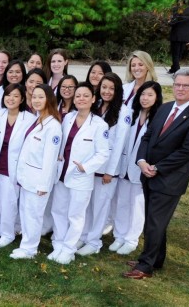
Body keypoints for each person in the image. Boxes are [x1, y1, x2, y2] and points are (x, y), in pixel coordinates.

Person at [125, 69, 189, 279]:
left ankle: (145, 266)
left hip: (169, 180)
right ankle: (156, 258)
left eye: (185, 85)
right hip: (148, 172)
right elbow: (148, 136)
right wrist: (142, 161)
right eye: (177, 84)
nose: (180, 89)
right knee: (154, 220)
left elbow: (187, 152)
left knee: (154, 221)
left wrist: (158, 168)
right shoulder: (165, 108)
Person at [50, 83, 110, 265]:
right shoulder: (68, 118)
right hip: (62, 172)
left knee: (75, 215)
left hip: (80, 176)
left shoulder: (99, 125)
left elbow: (103, 153)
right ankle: (58, 244)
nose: (81, 99)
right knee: (58, 211)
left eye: (85, 96)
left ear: (93, 99)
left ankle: (69, 249)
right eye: (78, 96)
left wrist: (85, 167)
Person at [78, 73, 130, 256]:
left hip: (107, 170)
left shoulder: (123, 112)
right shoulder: (96, 105)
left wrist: (109, 172)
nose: (107, 91)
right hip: (90, 166)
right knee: (87, 205)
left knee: (100, 207)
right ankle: (83, 236)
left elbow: (118, 145)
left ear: (117, 91)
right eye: (104, 87)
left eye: (111, 88)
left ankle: (94, 241)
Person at [10, 84, 62, 260]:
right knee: (26, 212)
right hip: (27, 178)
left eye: (41, 97)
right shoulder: (37, 119)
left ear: (49, 99)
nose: (37, 100)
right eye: (34, 97)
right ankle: (26, 244)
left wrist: (44, 184)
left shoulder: (53, 126)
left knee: (33, 215)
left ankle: (30, 249)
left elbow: (50, 159)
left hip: (38, 181)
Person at [112, 81, 162, 255]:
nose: (145, 98)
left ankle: (131, 239)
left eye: (150, 95)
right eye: (142, 94)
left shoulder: (158, 118)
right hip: (124, 165)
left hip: (141, 168)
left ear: (157, 98)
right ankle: (119, 235)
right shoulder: (131, 114)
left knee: (137, 205)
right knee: (121, 202)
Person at [0, 84, 35, 247]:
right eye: (8, 95)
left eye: (15, 96)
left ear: (22, 99)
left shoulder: (29, 119)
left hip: (13, 169)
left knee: (8, 202)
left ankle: (7, 233)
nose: (11, 99)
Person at [168, 2, 189, 74]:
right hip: (186, 36)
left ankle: (177, 71)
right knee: (179, 54)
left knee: (175, 54)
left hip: (176, 36)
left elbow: (172, 24)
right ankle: (173, 69)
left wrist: (169, 21)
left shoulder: (178, 12)